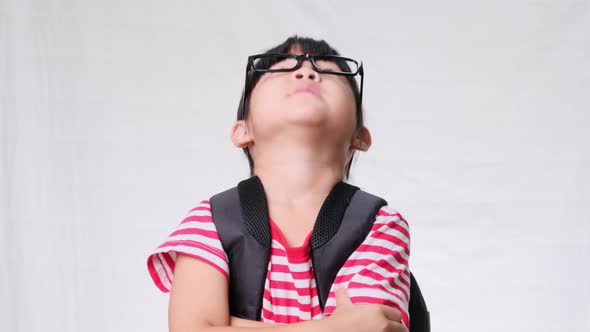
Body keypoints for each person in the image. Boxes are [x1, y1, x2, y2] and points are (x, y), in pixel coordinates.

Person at [146, 36, 412, 332]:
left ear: (360, 136)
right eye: (283, 68)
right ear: (242, 131)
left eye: (328, 70)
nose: (306, 72)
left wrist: (223, 324)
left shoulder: (379, 224)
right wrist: (332, 327)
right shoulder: (210, 220)